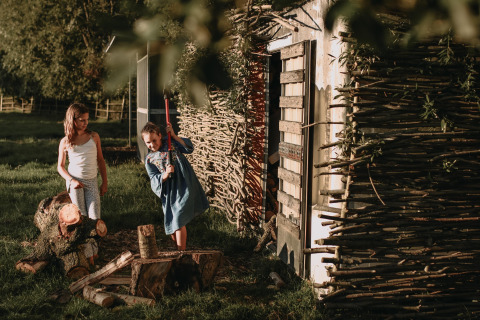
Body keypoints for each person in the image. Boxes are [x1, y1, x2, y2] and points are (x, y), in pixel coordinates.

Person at [141, 121, 209, 250]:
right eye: (148, 143)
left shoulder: (171, 143)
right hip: (169, 190)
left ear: (160, 135)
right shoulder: (150, 158)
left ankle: (181, 253)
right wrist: (165, 175)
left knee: (178, 220)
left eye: (154, 140)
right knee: (172, 221)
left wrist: (174, 135)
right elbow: (153, 178)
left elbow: (189, 148)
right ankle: (177, 248)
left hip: (183, 185)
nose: (152, 145)